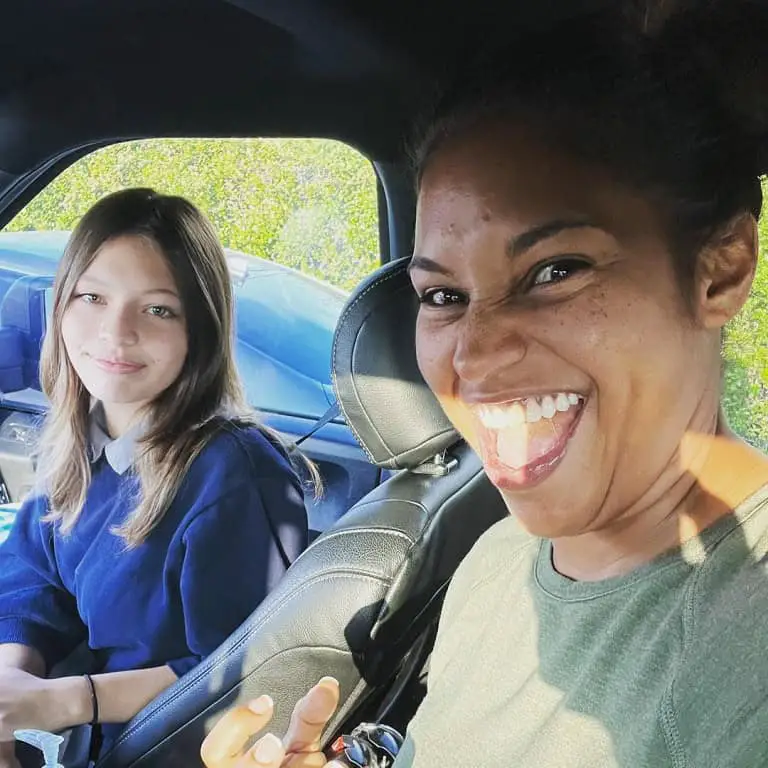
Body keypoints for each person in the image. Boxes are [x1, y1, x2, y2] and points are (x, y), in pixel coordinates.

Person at [199, 1, 768, 766]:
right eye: (443, 296)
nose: (474, 353)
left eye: (555, 270)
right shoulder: (498, 560)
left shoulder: (747, 632)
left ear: (720, 268)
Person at [0, 188, 310, 766]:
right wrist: (11, 690)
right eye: (92, 297)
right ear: (60, 305)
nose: (116, 332)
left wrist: (62, 703)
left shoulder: (232, 472)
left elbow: (249, 669)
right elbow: (32, 577)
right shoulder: (82, 444)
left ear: (201, 329)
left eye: (158, 308)